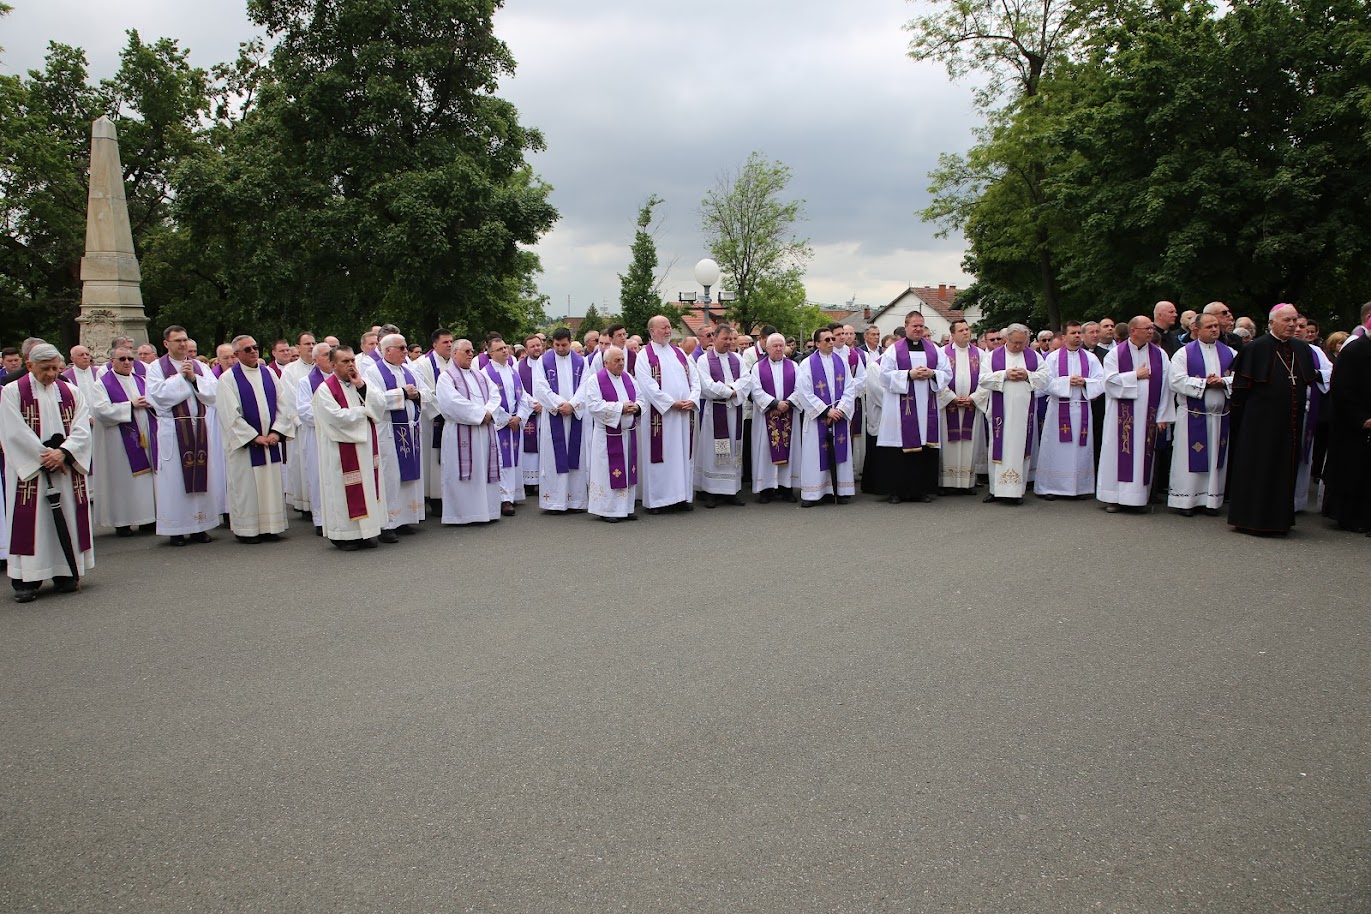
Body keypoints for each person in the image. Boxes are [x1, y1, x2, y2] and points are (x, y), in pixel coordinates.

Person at [0, 343, 94, 602]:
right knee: (33, 523)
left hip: (64, 469)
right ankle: (27, 579)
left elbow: (82, 429)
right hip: (30, 474)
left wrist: (63, 453)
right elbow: (13, 432)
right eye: (45, 368)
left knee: (67, 517)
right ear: (29, 365)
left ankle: (65, 573)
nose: (52, 374)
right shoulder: (12, 392)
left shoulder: (71, 391)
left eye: (55, 368)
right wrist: (45, 457)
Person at [1226, 304, 1318, 535]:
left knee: (1284, 469)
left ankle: (1280, 520)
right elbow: (1240, 391)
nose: (1292, 325)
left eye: (1294, 320)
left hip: (1290, 424)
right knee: (1258, 468)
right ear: (1271, 323)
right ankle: (1251, 519)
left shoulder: (1301, 348)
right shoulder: (1256, 348)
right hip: (1259, 424)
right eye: (1286, 320)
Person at [216, 334, 295, 544]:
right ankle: (247, 529)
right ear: (236, 354)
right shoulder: (228, 379)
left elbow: (283, 404)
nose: (253, 351)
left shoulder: (269, 373)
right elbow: (229, 414)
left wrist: (276, 432)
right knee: (247, 487)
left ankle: (271, 527)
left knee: (270, 486)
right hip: (247, 447)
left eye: (255, 347)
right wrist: (254, 437)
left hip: (270, 442)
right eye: (247, 349)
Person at [146, 325, 220, 546]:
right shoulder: (156, 368)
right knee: (175, 479)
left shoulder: (199, 366)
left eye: (185, 339)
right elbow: (157, 397)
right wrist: (181, 378)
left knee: (202, 475)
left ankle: (200, 526)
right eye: (177, 340)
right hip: (173, 428)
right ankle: (176, 529)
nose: (182, 344)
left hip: (199, 427)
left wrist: (194, 378)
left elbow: (215, 393)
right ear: (166, 343)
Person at [1097, 316, 1174, 513]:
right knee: (1116, 454)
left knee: (1142, 456)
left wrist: (1163, 415)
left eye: (1151, 328)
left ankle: (1138, 499)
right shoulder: (1115, 354)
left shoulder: (1160, 355)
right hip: (1119, 416)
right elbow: (1108, 383)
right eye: (1146, 328)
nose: (1151, 331)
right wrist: (1135, 376)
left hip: (1148, 415)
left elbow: (1167, 386)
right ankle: (1113, 498)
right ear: (1133, 331)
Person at [313, 346, 387, 550]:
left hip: (365, 447)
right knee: (341, 491)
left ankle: (367, 532)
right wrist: (363, 412)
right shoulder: (325, 390)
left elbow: (380, 404)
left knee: (368, 488)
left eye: (352, 360)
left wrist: (361, 386)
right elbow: (335, 418)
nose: (351, 365)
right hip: (340, 450)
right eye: (345, 361)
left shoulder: (362, 382)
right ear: (333, 365)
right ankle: (344, 535)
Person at [871, 311, 949, 504]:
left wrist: (932, 373)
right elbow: (884, 376)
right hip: (900, 410)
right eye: (914, 325)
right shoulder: (893, 350)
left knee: (924, 448)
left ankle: (922, 491)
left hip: (926, 410)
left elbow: (947, 373)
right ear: (906, 326)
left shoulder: (934, 349)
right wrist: (908, 375)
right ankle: (896, 491)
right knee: (899, 451)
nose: (918, 329)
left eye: (921, 326)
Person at [1166, 313, 1236, 517]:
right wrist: (1205, 383)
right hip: (1192, 416)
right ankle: (1186, 501)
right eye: (1209, 326)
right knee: (1188, 460)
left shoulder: (1230, 353)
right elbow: (1176, 380)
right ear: (1196, 329)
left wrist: (1223, 382)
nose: (1214, 329)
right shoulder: (1183, 354)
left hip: (1219, 418)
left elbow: (1240, 377)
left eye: (1216, 326)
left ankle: (1210, 501)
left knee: (1215, 460)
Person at [362, 333, 429, 541]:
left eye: (406, 347)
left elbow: (427, 393)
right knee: (390, 476)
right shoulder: (373, 372)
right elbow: (373, 400)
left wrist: (417, 394)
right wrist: (402, 393)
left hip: (411, 430)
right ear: (387, 350)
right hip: (389, 432)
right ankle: (388, 523)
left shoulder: (409, 370)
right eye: (401, 348)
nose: (405, 352)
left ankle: (405, 517)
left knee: (406, 476)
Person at [971, 324, 1045, 505]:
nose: (1019, 346)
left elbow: (1045, 377)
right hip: (1000, 414)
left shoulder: (1033, 356)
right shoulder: (992, 357)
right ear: (1006, 339)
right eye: (1015, 343)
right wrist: (1004, 375)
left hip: (1023, 414)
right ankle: (995, 490)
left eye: (1022, 343)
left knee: (1019, 449)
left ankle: (1016, 491)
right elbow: (983, 379)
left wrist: (1027, 375)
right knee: (998, 449)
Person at [633, 315, 699, 514]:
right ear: (652, 331)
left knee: (682, 455)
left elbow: (695, 379)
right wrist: (671, 403)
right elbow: (647, 386)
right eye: (663, 327)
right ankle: (658, 500)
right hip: (661, 416)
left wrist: (692, 399)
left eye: (669, 327)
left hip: (683, 415)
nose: (668, 330)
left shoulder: (680, 353)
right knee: (661, 456)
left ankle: (682, 497)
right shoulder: (644, 356)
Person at [89, 344, 156, 535]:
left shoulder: (141, 380)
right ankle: (122, 521)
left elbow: (156, 402)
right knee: (121, 481)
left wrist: (151, 404)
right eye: (122, 359)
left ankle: (146, 519)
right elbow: (101, 411)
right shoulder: (102, 384)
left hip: (144, 438)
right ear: (112, 362)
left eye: (130, 359)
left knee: (144, 480)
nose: (127, 362)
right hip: (116, 442)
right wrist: (130, 405)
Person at [434, 338, 503, 525]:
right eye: (466, 351)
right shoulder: (446, 377)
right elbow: (451, 403)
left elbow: (495, 395)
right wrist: (481, 414)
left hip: (484, 433)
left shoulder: (481, 376)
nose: (471, 354)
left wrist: (488, 412)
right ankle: (462, 515)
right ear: (455, 353)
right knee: (463, 473)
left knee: (483, 471)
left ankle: (487, 511)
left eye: (472, 351)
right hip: (460, 433)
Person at [1033, 321, 1103, 500]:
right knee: (1055, 448)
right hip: (1058, 409)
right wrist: (1067, 382)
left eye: (1079, 333)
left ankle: (1079, 487)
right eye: (1073, 333)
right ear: (1064, 337)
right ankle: (1051, 486)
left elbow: (1101, 381)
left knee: (1080, 449)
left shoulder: (1090, 358)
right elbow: (1044, 382)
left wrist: (1085, 382)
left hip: (1081, 408)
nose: (1077, 336)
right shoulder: (1053, 358)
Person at [795, 326, 856, 506]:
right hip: (817, 419)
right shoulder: (807, 364)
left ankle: (840, 490)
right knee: (815, 454)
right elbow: (803, 392)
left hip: (839, 417)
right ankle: (814, 493)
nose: (831, 342)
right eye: (827, 340)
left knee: (839, 451)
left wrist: (841, 409)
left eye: (832, 339)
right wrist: (826, 411)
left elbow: (850, 388)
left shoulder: (842, 362)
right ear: (817, 343)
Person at [1322, 313, 1371, 533]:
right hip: (1353, 425)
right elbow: (1341, 389)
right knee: (1352, 473)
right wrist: (1362, 418)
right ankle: (1349, 517)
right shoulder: (1354, 351)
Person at [533, 327, 589, 513]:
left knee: (576, 457)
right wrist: (559, 404)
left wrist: (572, 405)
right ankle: (554, 502)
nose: (560, 348)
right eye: (557, 345)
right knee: (552, 458)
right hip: (554, 416)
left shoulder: (581, 362)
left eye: (564, 345)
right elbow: (540, 387)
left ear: (570, 342)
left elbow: (585, 386)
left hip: (574, 415)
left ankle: (575, 501)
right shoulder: (544, 361)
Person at [584, 346, 641, 522]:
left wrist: (637, 407)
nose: (621, 363)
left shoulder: (628, 378)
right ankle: (608, 510)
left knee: (628, 469)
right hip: (607, 436)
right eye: (617, 360)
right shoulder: (595, 380)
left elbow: (641, 398)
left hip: (628, 434)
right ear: (606, 363)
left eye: (622, 359)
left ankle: (626, 508)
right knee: (608, 473)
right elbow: (593, 405)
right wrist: (620, 408)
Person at [695, 324, 749, 507]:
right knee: (712, 451)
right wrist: (730, 392)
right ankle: (711, 491)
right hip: (715, 412)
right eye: (725, 338)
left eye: (731, 339)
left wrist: (732, 390)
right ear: (715, 338)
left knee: (733, 449)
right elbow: (706, 386)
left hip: (734, 411)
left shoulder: (738, 359)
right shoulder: (704, 360)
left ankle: (731, 490)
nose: (728, 342)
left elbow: (746, 380)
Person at [482, 335, 531, 516]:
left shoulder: (513, 371)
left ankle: (512, 493)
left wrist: (519, 417)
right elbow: (489, 401)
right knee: (502, 461)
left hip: (514, 423)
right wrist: (505, 418)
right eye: (500, 349)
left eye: (505, 347)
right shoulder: (485, 373)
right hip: (499, 425)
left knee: (513, 459)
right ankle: (503, 498)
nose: (505, 351)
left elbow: (522, 397)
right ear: (490, 353)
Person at [750, 333, 801, 503]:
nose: (779, 349)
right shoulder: (758, 367)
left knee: (789, 450)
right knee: (765, 451)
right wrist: (774, 404)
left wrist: (788, 403)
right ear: (767, 348)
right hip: (767, 416)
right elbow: (755, 390)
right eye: (775, 346)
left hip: (789, 413)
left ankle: (787, 488)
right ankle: (766, 489)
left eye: (781, 345)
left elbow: (800, 388)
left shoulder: (794, 366)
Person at [936, 319, 985, 495]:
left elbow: (985, 380)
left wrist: (973, 398)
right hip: (949, 407)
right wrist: (952, 398)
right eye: (961, 330)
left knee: (969, 443)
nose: (966, 332)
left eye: (967, 329)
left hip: (971, 406)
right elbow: (938, 378)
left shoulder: (980, 354)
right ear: (953, 334)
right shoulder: (942, 353)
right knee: (949, 443)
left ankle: (966, 482)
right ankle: (946, 482)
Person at [409, 328, 454, 516]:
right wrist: (448, 410)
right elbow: (425, 393)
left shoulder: (455, 362)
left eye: (451, 341)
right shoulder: (422, 364)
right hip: (433, 420)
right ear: (435, 345)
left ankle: (450, 495)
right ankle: (434, 497)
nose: (450, 345)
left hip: (453, 419)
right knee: (432, 460)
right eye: (445, 342)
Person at [295, 342, 334, 535]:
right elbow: (304, 411)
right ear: (315, 360)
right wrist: (333, 417)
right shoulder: (306, 382)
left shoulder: (343, 378)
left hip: (341, 435)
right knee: (319, 475)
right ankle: (321, 519)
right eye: (326, 355)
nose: (331, 358)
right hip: (317, 436)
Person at [280, 333, 317, 513]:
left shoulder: (322, 367)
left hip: (322, 426)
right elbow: (289, 398)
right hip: (301, 426)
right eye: (307, 343)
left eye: (313, 343)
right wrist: (302, 420)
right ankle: (306, 505)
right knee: (302, 465)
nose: (311, 346)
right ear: (298, 347)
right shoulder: (290, 370)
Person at [516, 334, 544, 492]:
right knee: (529, 448)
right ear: (526, 350)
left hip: (547, 411)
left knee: (545, 446)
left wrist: (544, 404)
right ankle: (529, 482)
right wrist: (534, 404)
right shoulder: (518, 367)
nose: (536, 348)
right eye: (532, 346)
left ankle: (543, 480)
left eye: (538, 345)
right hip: (529, 413)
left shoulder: (549, 363)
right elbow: (519, 389)